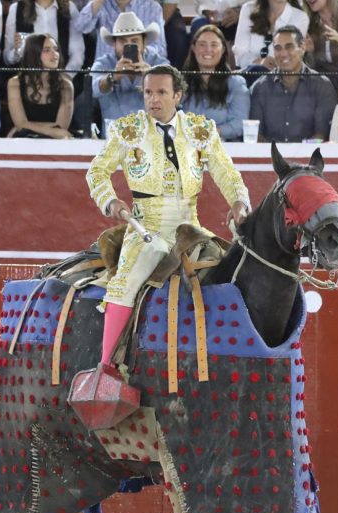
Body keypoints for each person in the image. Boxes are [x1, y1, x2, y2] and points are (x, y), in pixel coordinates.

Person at [85, 63, 250, 379]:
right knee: (123, 285)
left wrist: (239, 200)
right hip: (146, 228)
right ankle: (106, 369)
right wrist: (110, 200)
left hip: (190, 226)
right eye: (148, 92)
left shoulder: (201, 129)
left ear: (178, 95)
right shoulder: (128, 129)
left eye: (161, 92)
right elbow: (97, 171)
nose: (153, 99)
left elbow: (226, 172)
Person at [248, 25, 337, 141]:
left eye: (289, 47)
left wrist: (299, 154)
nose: (283, 54)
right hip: (270, 156)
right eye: (278, 48)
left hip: (308, 156)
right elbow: (256, 135)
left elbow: (322, 134)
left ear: (302, 48)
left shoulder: (322, 85)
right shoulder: (260, 87)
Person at [91, 12, 169, 131]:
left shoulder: (158, 62)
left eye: (134, 41)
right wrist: (113, 77)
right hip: (114, 136)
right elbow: (92, 89)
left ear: (144, 43)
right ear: (114, 44)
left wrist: (151, 77)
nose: (129, 45)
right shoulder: (103, 63)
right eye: (123, 41)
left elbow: (176, 93)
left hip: (152, 135)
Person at [180, 24, 250, 141]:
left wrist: (210, 133)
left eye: (214, 45)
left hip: (225, 148)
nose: (208, 50)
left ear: (223, 49)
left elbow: (239, 124)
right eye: (202, 45)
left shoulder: (236, 84)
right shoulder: (180, 83)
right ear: (193, 48)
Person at [5, 34, 74, 138]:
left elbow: (61, 128)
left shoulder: (66, 85)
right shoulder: (15, 83)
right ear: (34, 54)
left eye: (56, 49)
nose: (54, 54)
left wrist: (27, 126)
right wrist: (22, 126)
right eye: (47, 50)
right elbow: (20, 125)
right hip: (24, 140)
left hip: (54, 141)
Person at [3, 0, 84, 75]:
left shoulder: (69, 8)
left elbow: (77, 55)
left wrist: (65, 78)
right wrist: (18, 51)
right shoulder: (16, 9)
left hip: (60, 79)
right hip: (27, 80)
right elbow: (7, 58)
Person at [74, 0, 167, 60]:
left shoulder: (152, 8)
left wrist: (138, 52)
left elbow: (160, 49)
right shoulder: (100, 5)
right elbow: (81, 26)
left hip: (141, 73)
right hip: (106, 70)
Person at [233, 0, 310, 71]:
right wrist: (259, 62)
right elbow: (240, 53)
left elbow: (293, 57)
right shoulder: (248, 9)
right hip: (248, 75)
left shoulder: (300, 18)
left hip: (278, 79)